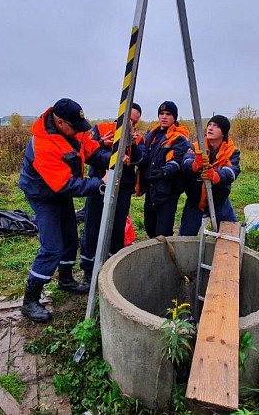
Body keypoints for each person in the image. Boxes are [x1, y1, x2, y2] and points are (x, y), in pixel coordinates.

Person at [18, 98, 110, 323]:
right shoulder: (44, 144)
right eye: (74, 127)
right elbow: (65, 185)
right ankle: (30, 300)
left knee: (70, 236)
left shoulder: (73, 132)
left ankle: (66, 280)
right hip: (43, 194)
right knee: (52, 247)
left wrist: (113, 158)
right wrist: (100, 183)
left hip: (61, 191)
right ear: (60, 122)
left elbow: (91, 151)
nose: (79, 131)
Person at [78, 103, 146, 289]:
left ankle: (112, 268)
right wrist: (108, 151)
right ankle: (88, 270)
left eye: (135, 121)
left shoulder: (138, 138)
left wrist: (132, 145)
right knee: (92, 226)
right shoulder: (102, 129)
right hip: (99, 184)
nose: (131, 124)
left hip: (123, 188)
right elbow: (90, 153)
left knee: (117, 228)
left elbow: (141, 160)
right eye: (129, 119)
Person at [179, 115, 240, 236]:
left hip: (219, 201)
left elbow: (232, 171)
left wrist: (216, 176)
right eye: (209, 125)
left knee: (230, 236)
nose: (210, 128)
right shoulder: (195, 147)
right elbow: (185, 162)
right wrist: (194, 165)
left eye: (216, 126)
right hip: (195, 201)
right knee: (185, 237)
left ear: (223, 132)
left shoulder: (232, 151)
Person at [140, 101, 191, 237]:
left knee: (163, 231)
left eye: (168, 114)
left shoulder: (179, 138)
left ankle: (165, 250)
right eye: (161, 114)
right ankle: (155, 248)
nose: (164, 117)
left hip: (167, 190)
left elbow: (176, 160)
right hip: (151, 188)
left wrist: (164, 171)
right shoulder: (151, 135)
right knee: (149, 226)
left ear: (174, 117)